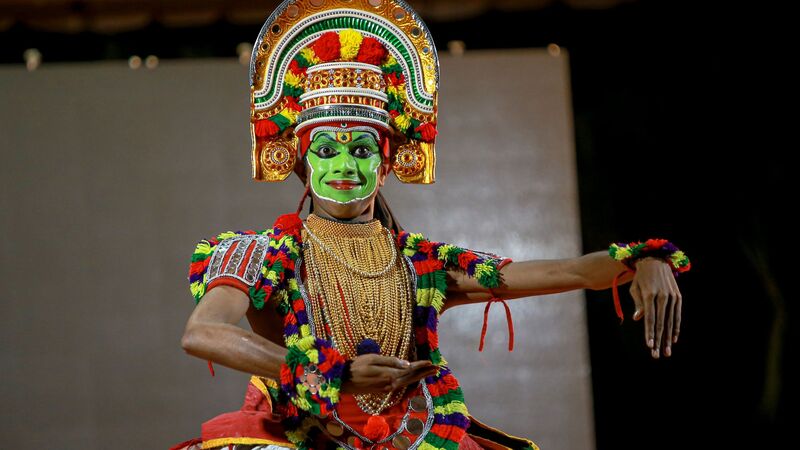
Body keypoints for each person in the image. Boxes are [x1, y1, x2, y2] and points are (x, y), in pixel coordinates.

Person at [174, 1, 691, 449]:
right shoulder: (266, 253)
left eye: (361, 149)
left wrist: (642, 258)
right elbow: (204, 333)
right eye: (327, 151)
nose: (345, 167)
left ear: (387, 160)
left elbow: (573, 272)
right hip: (299, 434)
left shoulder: (422, 266)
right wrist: (331, 374)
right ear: (304, 162)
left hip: (416, 435)